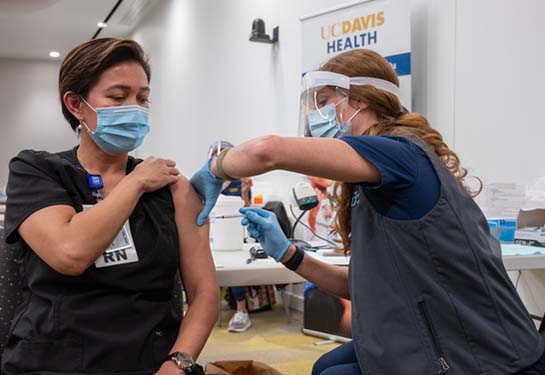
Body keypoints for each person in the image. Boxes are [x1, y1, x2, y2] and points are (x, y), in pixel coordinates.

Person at [189, 49, 545, 375]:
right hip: (440, 338)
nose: (319, 116)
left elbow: (268, 150)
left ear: (358, 100)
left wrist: (216, 168)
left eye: (326, 102)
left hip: (482, 357)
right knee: (326, 366)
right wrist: (288, 253)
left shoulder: (399, 154)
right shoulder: (373, 178)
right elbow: (364, 287)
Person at [2, 38, 218, 375]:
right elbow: (70, 253)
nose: (135, 108)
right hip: (53, 360)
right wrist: (134, 182)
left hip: (151, 359)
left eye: (143, 98)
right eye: (118, 97)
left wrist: (178, 364)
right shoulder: (36, 171)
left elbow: (205, 293)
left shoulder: (172, 187)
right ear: (76, 104)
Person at [207, 141, 253, 332]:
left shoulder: (239, 181)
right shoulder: (205, 180)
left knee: (236, 266)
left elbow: (247, 210)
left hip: (233, 233)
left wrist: (244, 192)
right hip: (210, 233)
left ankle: (241, 310)